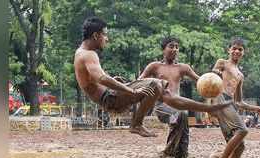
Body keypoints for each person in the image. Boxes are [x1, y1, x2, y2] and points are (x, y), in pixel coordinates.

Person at [74, 17, 230, 137]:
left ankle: (208, 109)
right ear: (95, 35)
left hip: (112, 96)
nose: (106, 39)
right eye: (105, 35)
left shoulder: (82, 53)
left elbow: (99, 79)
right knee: (157, 85)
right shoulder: (88, 54)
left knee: (161, 88)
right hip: (111, 99)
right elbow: (101, 78)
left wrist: (125, 85)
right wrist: (131, 90)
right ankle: (136, 124)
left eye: (177, 47)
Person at [138, 37, 202, 158]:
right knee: (183, 114)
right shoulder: (154, 66)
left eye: (177, 47)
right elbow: (139, 82)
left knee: (183, 149)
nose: (174, 49)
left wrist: (214, 80)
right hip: (162, 107)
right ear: (163, 49)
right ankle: (167, 152)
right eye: (171, 46)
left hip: (179, 109)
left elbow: (200, 81)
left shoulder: (183, 68)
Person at [209, 37, 260, 158]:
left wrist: (256, 109)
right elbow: (210, 81)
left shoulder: (240, 75)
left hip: (230, 104)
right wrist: (210, 105)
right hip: (219, 98)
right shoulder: (222, 63)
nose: (236, 51)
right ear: (229, 50)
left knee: (240, 147)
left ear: (243, 52)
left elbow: (239, 102)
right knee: (242, 130)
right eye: (234, 48)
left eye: (240, 49)